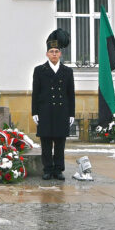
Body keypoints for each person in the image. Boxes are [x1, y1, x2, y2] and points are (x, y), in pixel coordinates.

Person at [31, 29, 75, 181]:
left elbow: (71, 94)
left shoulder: (67, 72)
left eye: (57, 51)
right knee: (46, 142)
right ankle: (47, 169)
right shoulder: (39, 70)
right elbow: (35, 93)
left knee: (60, 143)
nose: (54, 54)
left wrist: (71, 114)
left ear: (60, 54)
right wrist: (34, 112)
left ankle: (58, 169)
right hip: (45, 111)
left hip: (62, 111)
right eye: (51, 51)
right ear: (47, 54)